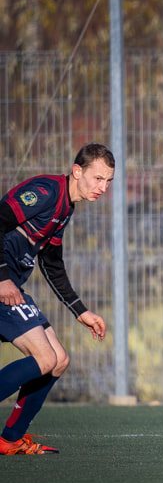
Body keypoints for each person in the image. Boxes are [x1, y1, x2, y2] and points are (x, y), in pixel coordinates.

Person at [0, 143, 112, 455]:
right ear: (78, 171)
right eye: (98, 178)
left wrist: (81, 312)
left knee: (58, 361)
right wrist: (2, 278)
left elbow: (52, 264)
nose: (103, 187)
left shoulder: (66, 208)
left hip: (11, 287)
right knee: (45, 358)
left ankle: (9, 440)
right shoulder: (47, 192)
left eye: (108, 181)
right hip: (2, 284)